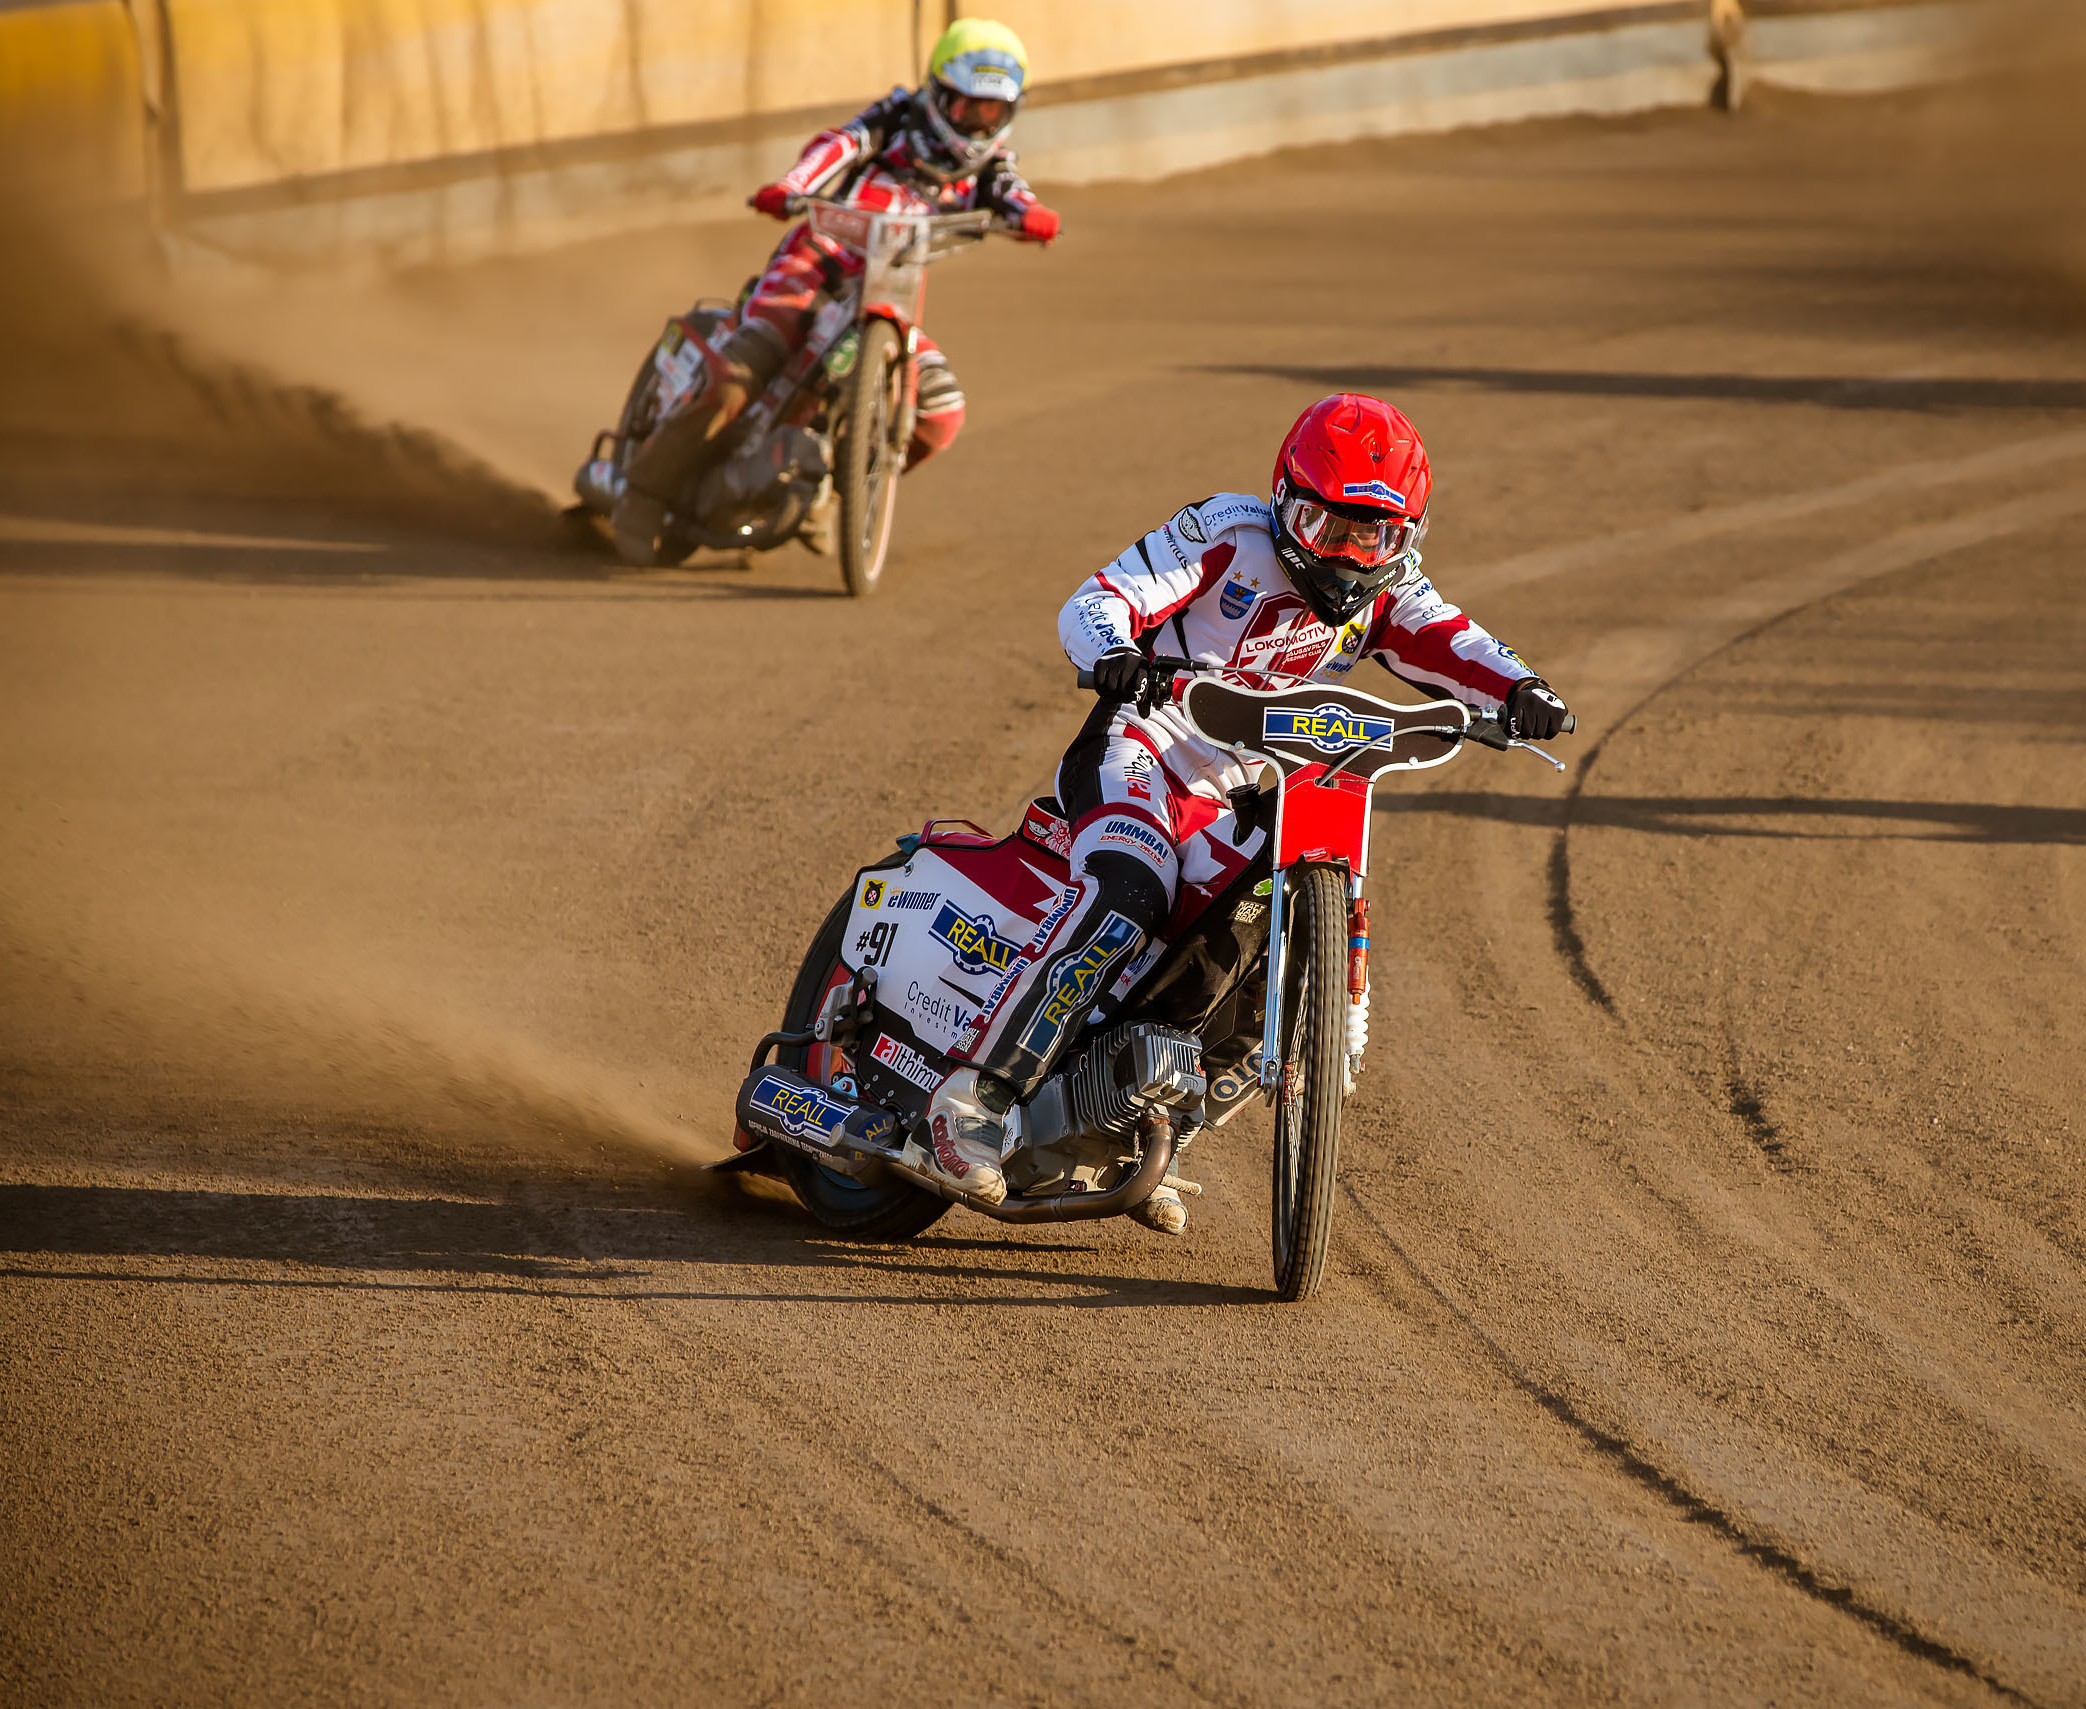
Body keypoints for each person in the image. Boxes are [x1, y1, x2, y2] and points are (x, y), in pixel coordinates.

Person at [916, 393, 1573, 1232]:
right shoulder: (1226, 532)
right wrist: (1114, 650)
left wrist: (1522, 688)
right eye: (1323, 527)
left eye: (1370, 537)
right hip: (1141, 746)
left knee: (1265, 932)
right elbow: (1101, 595)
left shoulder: (1390, 587)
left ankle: (1137, 1123)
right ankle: (975, 1098)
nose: (1344, 557)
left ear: (1404, 539)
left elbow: (1452, 638)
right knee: (1131, 893)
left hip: (1236, 788)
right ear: (1281, 498)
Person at [611, 18, 1060, 565]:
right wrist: (792, 186)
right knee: (740, 371)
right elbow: (840, 144)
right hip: (818, 259)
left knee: (941, 414)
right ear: (939, 94)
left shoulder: (990, 167)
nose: (977, 122)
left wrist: (1034, 215)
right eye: (967, 106)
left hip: (889, 293)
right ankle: (642, 493)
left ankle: (839, 494)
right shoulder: (897, 117)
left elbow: (1013, 193)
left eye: (992, 111)